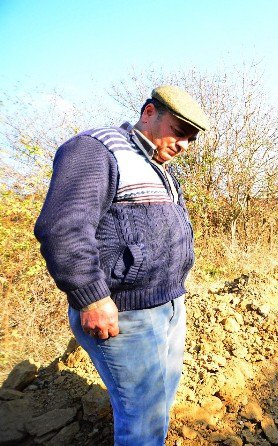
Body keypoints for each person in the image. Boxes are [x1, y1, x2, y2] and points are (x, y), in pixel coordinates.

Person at [34, 85, 209, 445]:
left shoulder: (159, 167)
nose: (184, 145)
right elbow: (62, 228)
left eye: (191, 139)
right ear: (148, 113)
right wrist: (92, 298)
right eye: (179, 132)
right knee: (142, 421)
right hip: (125, 315)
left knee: (158, 403)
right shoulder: (96, 149)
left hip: (168, 307)